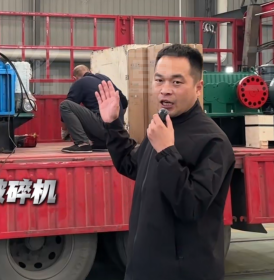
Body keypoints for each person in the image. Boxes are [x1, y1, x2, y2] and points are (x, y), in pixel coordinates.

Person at [95, 44, 235, 280]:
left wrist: (167, 151)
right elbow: (132, 165)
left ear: (198, 87)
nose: (165, 90)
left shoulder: (213, 141)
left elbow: (191, 206)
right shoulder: (163, 125)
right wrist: (112, 124)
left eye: (176, 82)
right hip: (144, 266)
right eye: (159, 80)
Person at [60, 65, 128, 154]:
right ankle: (103, 144)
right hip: (117, 133)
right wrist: (118, 121)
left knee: (65, 105)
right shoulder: (104, 78)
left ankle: (82, 144)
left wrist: (64, 131)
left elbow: (67, 108)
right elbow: (124, 102)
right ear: (90, 71)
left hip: (103, 129)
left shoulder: (79, 82)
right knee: (95, 112)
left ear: (74, 78)